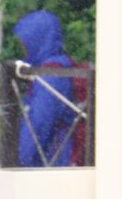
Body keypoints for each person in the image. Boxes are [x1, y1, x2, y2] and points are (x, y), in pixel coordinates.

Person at [15, 9, 78, 167]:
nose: (23, 48)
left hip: (54, 161)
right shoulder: (60, 67)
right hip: (57, 159)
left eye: (26, 42)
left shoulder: (51, 76)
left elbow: (38, 126)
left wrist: (18, 161)